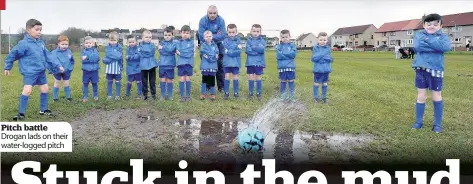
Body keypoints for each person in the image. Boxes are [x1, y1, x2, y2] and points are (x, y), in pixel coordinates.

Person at [4, 19, 64, 121]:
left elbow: (48, 55)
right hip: (30, 72)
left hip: (41, 71)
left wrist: (58, 65)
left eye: (40, 30)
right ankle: (21, 113)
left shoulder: (40, 43)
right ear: (28, 30)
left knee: (45, 89)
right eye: (37, 29)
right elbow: (13, 54)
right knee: (27, 91)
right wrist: (7, 66)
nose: (39, 32)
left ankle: (43, 110)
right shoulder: (24, 43)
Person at [411, 13, 451, 133]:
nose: (431, 26)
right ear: (424, 25)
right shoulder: (419, 35)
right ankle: (419, 122)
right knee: (421, 95)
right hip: (421, 68)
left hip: (436, 70)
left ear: (441, 25)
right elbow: (417, 47)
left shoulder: (443, 37)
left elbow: (445, 48)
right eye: (428, 24)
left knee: (436, 95)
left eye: (435, 24)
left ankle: (437, 125)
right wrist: (436, 46)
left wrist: (429, 41)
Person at [198, 5, 226, 92]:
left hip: (218, 45)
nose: (212, 15)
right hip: (205, 46)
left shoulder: (221, 20)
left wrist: (209, 35)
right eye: (210, 13)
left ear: (217, 13)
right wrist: (215, 35)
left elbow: (223, 35)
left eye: (214, 13)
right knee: (207, 66)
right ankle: (207, 86)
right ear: (207, 13)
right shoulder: (203, 20)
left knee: (220, 65)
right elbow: (201, 36)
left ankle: (221, 87)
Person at [245, 24, 267, 101]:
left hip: (259, 62)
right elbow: (247, 51)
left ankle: (258, 93)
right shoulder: (248, 41)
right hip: (250, 62)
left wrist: (253, 48)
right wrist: (256, 51)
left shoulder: (263, 41)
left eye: (257, 31)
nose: (255, 33)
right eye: (254, 31)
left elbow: (262, 50)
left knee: (258, 77)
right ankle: (250, 93)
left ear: (260, 32)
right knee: (251, 76)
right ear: (251, 31)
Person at [311, 32, 333, 104]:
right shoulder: (315, 48)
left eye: (324, 40)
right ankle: (316, 98)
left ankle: (324, 98)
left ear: (327, 40)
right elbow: (314, 58)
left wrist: (321, 57)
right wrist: (323, 55)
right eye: (321, 40)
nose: (322, 41)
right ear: (318, 40)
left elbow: (330, 59)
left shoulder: (328, 48)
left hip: (326, 69)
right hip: (318, 70)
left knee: (324, 84)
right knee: (316, 84)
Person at [51, 35, 74, 102]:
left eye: (66, 44)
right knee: (57, 82)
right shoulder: (54, 52)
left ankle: (68, 97)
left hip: (66, 71)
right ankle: (55, 98)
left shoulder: (69, 52)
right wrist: (59, 67)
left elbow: (72, 60)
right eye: (62, 44)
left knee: (66, 83)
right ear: (58, 44)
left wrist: (70, 67)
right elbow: (54, 60)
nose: (64, 46)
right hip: (57, 71)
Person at [222, 24, 242, 100]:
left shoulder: (238, 40)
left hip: (235, 62)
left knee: (235, 76)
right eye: (230, 32)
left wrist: (230, 51)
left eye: (233, 32)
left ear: (236, 32)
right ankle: (226, 93)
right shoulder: (225, 41)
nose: (231, 34)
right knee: (226, 76)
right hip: (227, 62)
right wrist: (235, 48)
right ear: (227, 32)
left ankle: (236, 93)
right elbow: (224, 51)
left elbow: (239, 52)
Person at [276, 30, 297, 102]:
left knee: (291, 81)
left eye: (286, 37)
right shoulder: (279, 46)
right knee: (283, 81)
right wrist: (288, 55)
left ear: (290, 37)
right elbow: (278, 56)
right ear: (280, 38)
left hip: (290, 67)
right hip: (282, 67)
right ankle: (283, 96)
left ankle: (292, 97)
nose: (285, 38)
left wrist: (284, 54)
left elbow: (293, 55)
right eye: (283, 37)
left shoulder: (292, 46)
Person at [176, 25, 195, 102]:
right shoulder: (178, 42)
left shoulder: (191, 43)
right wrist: (182, 52)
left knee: (187, 78)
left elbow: (190, 53)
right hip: (181, 64)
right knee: (182, 78)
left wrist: (181, 53)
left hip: (189, 64)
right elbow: (177, 51)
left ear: (190, 34)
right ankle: (182, 96)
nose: (185, 34)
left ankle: (187, 95)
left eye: (187, 33)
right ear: (181, 33)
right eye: (184, 33)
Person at [157, 27, 177, 101]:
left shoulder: (174, 43)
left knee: (170, 80)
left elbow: (171, 50)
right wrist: (168, 50)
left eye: (169, 35)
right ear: (163, 36)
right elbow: (162, 52)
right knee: (163, 79)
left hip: (170, 64)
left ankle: (169, 95)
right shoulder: (161, 43)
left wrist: (164, 48)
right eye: (165, 35)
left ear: (172, 35)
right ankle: (162, 95)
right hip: (162, 64)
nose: (167, 36)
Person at [103, 31, 124, 100]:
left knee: (118, 82)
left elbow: (120, 56)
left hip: (117, 68)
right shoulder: (107, 47)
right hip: (109, 68)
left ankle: (117, 95)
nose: (113, 42)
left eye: (114, 40)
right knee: (109, 82)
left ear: (117, 40)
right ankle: (109, 95)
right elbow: (108, 54)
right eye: (111, 40)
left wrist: (111, 56)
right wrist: (115, 55)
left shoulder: (120, 47)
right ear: (109, 40)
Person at [199, 31, 219, 101]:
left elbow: (217, 53)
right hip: (205, 65)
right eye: (206, 36)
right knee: (205, 79)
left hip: (213, 66)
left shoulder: (215, 45)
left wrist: (214, 57)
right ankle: (203, 93)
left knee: (212, 79)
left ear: (212, 37)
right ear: (204, 38)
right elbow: (203, 53)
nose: (208, 38)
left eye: (209, 36)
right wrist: (209, 57)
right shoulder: (203, 45)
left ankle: (212, 93)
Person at [139, 30, 159, 100]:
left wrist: (145, 52)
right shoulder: (140, 45)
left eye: (150, 37)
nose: (148, 38)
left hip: (152, 65)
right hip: (143, 66)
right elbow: (142, 53)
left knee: (152, 81)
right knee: (144, 81)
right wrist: (145, 53)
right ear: (142, 38)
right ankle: (145, 94)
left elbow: (151, 53)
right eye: (146, 37)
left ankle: (153, 94)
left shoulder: (152, 45)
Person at [80, 36, 101, 103]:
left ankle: (95, 96)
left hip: (94, 71)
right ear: (84, 44)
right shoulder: (83, 51)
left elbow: (97, 58)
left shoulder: (95, 50)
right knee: (85, 84)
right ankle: (85, 96)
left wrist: (88, 57)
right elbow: (83, 60)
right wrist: (91, 59)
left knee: (95, 83)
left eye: (90, 43)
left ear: (92, 44)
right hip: (86, 71)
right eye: (86, 43)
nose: (88, 44)